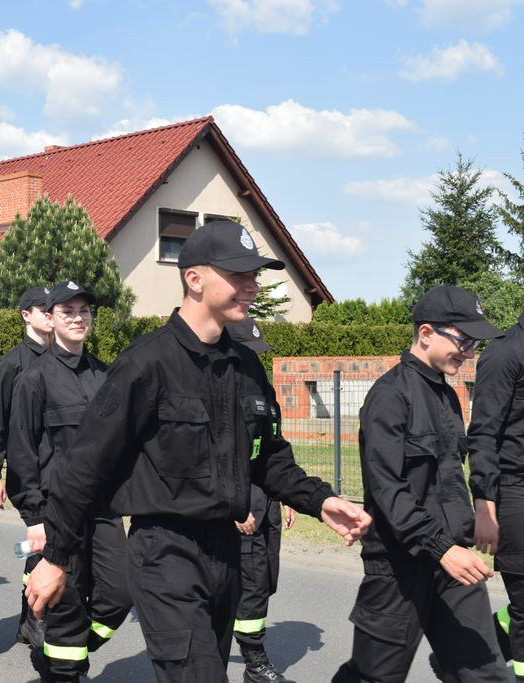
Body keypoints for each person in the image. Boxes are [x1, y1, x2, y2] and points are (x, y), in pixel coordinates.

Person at [24, 220, 371, 682]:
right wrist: (57, 558)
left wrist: (321, 500)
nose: (252, 286)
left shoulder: (244, 364)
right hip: (166, 553)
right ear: (194, 279)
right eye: (239, 275)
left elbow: (267, 455)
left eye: (255, 275)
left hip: (226, 550)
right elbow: (82, 468)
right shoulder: (145, 363)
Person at [333, 284, 507, 682]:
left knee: (487, 674)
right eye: (463, 340)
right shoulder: (389, 397)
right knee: (373, 675)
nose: (469, 352)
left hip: (453, 564)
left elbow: (445, 481)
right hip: (399, 568)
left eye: (474, 344)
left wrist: (470, 523)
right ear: (426, 333)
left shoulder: (446, 396)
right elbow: (388, 489)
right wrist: (441, 547)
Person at [7, 281, 131, 681]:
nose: (78, 318)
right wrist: (33, 517)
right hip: (56, 513)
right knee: (67, 599)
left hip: (104, 511)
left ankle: (58, 651)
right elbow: (22, 453)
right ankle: (63, 667)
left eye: (84, 311)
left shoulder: (105, 376)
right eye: (68, 312)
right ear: (51, 319)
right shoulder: (34, 379)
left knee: (119, 595)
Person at [0, 285, 53, 643]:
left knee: (48, 542)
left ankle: (31, 616)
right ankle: (35, 617)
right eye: (44, 309)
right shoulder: (12, 364)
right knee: (44, 538)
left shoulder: (65, 357)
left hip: (62, 468)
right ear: (26, 315)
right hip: (29, 470)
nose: (52, 315)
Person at [226, 317, 295, 683]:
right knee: (250, 582)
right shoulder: (223, 392)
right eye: (250, 352)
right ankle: (255, 661)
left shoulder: (264, 391)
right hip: (241, 500)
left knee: (265, 576)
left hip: (266, 498)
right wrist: (236, 506)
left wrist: (288, 497)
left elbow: (274, 450)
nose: (258, 359)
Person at [467, 295, 524, 680]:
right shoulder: (505, 354)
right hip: (514, 491)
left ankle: (472, 651)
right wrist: (485, 505)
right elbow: (483, 435)